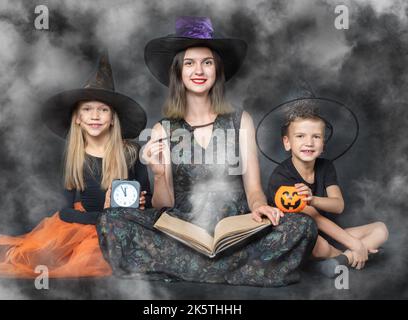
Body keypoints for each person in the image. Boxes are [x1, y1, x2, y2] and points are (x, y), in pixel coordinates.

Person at [96, 16, 318, 287]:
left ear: (217, 70)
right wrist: (159, 173)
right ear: (178, 72)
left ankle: (189, 269)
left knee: (302, 226)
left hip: (235, 229)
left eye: (207, 62)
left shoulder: (240, 120)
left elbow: (253, 190)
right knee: (112, 220)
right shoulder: (163, 129)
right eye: (189, 63)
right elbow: (163, 206)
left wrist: (261, 207)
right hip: (183, 230)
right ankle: (235, 271)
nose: (198, 70)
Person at [0, 52, 151, 278]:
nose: (95, 116)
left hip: (123, 228)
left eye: (103, 110)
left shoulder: (132, 153)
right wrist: (102, 218)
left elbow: (148, 202)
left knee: (115, 258)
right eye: (87, 109)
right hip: (85, 226)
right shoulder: (75, 158)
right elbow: (65, 212)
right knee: (36, 255)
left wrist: (140, 204)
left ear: (113, 118)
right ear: (77, 118)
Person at [267, 100, 389, 278]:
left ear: (323, 144)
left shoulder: (326, 166)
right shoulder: (282, 177)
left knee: (381, 229)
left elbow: (338, 205)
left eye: (316, 137)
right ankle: (355, 255)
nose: (309, 142)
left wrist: (313, 199)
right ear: (287, 142)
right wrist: (356, 244)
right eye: (300, 136)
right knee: (319, 246)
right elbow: (314, 218)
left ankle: (341, 261)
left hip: (330, 232)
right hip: (301, 239)